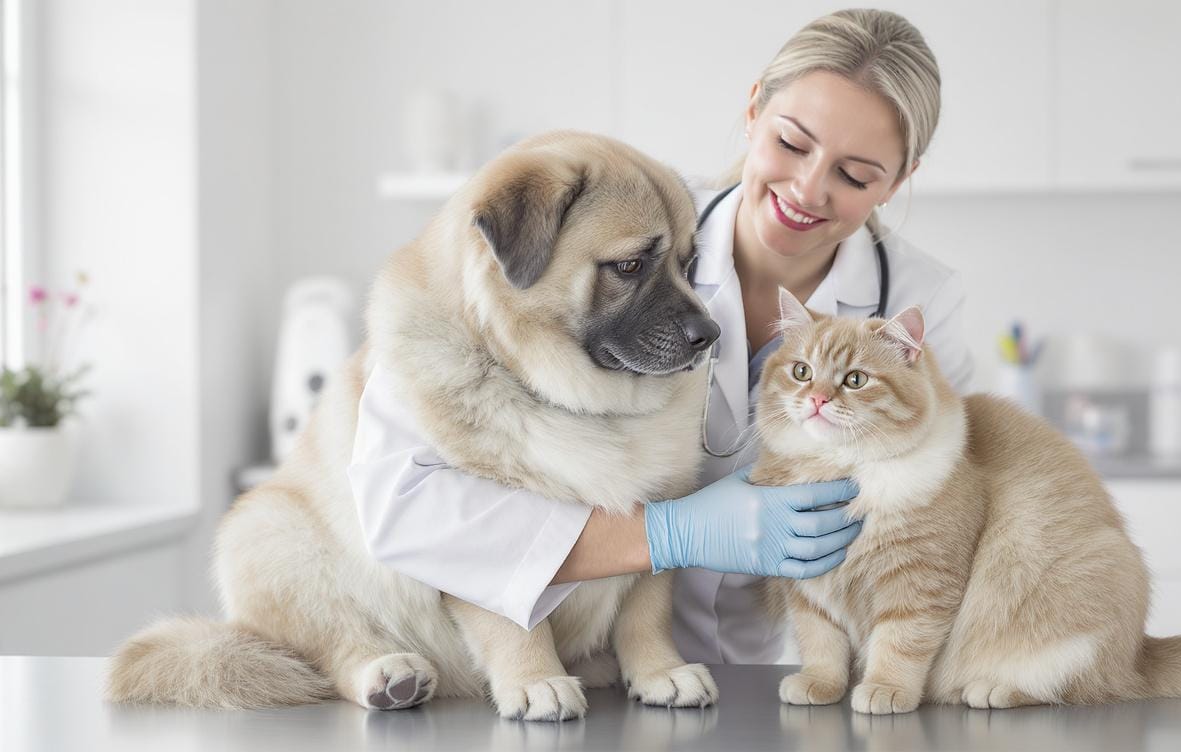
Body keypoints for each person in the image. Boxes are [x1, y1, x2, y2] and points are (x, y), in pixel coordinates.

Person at [347, 8, 975, 665]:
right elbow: (400, 508)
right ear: (754, 108)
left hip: (803, 676)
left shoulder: (918, 301)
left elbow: (944, 523)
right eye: (792, 143)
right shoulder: (625, 221)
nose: (808, 188)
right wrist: (665, 535)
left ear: (899, 181)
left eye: (855, 175)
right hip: (613, 676)